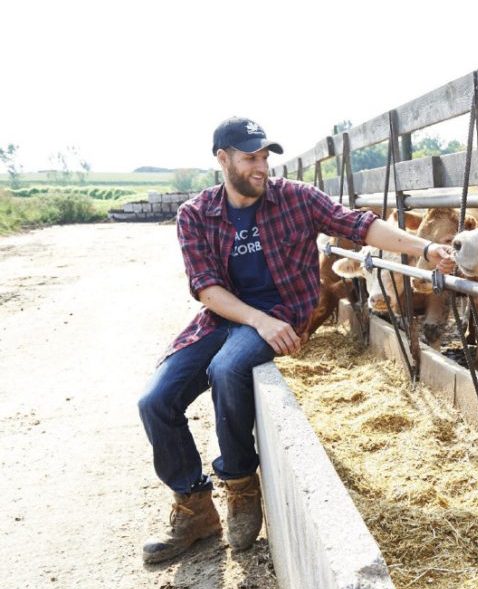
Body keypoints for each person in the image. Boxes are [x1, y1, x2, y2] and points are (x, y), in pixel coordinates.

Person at [138, 117, 455, 564]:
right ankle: (193, 506)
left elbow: (358, 224)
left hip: (284, 314)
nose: (261, 167)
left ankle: (241, 485)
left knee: (228, 369)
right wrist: (256, 321)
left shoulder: (295, 199)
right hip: (224, 317)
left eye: (265, 157)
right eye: (250, 158)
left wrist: (423, 249)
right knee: (155, 401)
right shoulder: (195, 215)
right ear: (222, 159)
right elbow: (207, 288)